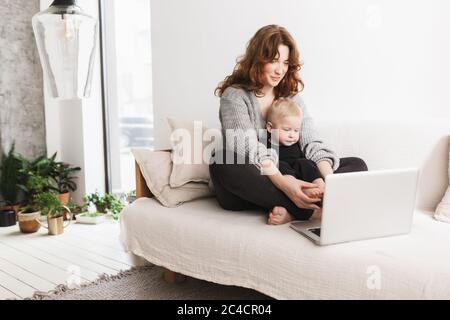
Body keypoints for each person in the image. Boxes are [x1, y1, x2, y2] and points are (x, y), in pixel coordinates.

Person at [209, 24, 368, 226]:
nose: (280, 70)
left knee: (357, 164)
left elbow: (311, 142)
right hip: (259, 179)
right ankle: (310, 210)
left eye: (285, 63)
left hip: (296, 172)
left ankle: (296, 209)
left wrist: (331, 184)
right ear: (257, 60)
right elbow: (246, 148)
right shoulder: (235, 96)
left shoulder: (291, 97)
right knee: (221, 161)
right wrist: (286, 184)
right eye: (274, 61)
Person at [265, 97, 325, 222]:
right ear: (270, 128)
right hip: (285, 184)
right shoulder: (266, 145)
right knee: (279, 165)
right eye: (287, 130)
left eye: (296, 130)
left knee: (306, 162)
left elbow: (311, 156)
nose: (292, 135)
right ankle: (294, 211)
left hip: (303, 177)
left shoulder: (297, 143)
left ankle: (320, 187)